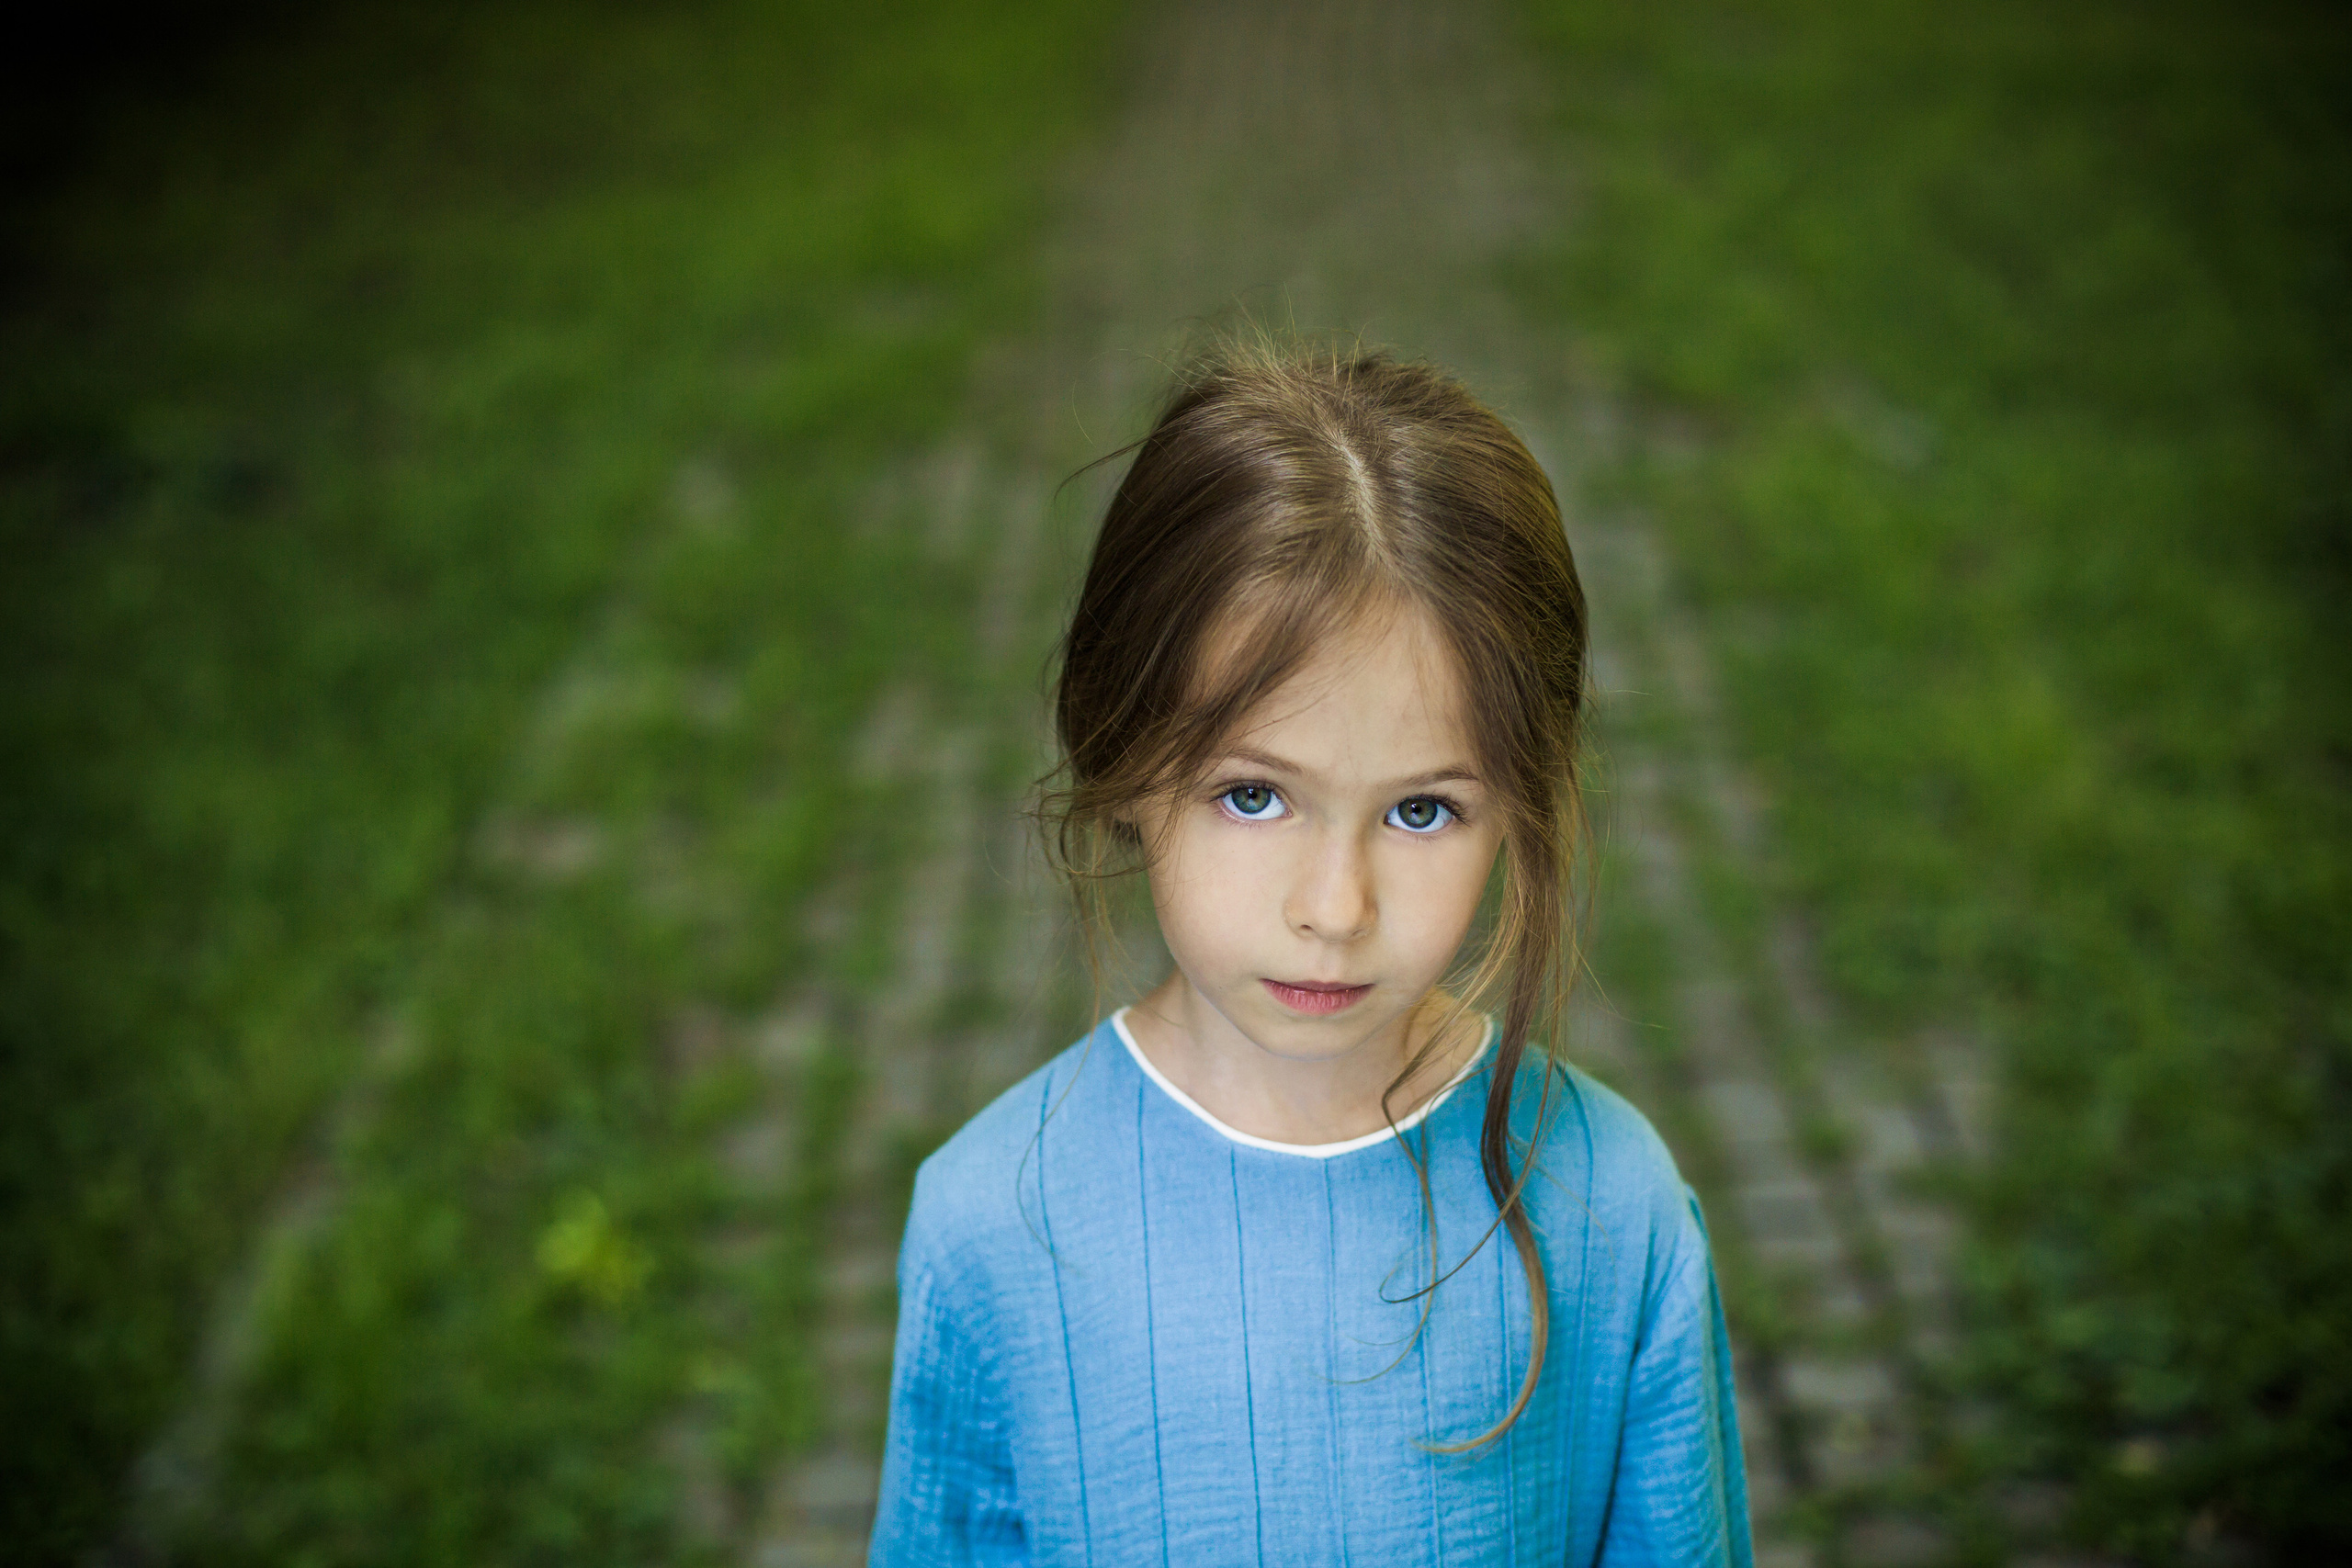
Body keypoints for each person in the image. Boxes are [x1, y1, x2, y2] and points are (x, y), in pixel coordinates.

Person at [870, 342, 1752, 1565]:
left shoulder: (1615, 1211)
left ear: (1521, 806)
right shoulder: (989, 1226)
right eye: (1253, 795)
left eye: (1423, 810)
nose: (1336, 907)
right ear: (1121, 753)